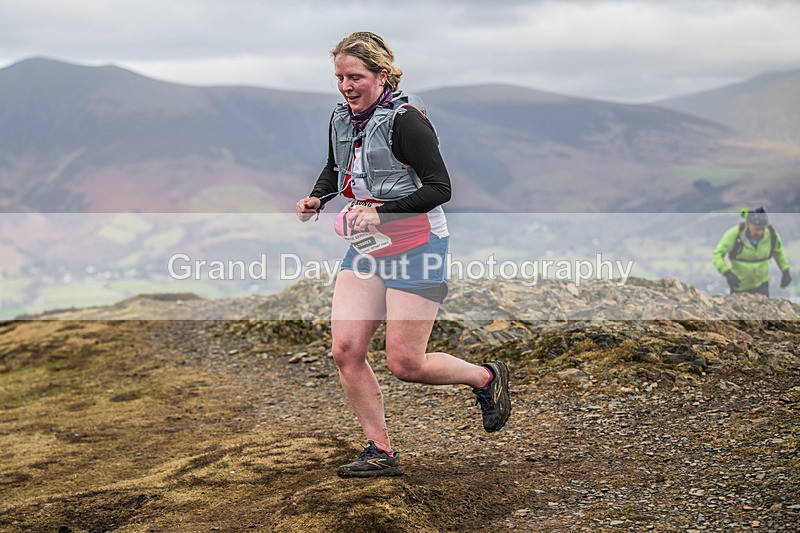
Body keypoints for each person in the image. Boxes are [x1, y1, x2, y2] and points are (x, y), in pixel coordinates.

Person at [295, 31, 510, 478]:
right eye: (339, 77)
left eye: (355, 77)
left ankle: (486, 378)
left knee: (405, 364)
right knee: (345, 350)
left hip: (418, 246)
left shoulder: (407, 121)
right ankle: (381, 450)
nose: (345, 86)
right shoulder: (341, 118)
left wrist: (381, 212)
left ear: (381, 75)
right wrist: (318, 197)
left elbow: (440, 188)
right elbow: (339, 168)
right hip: (368, 249)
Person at [713, 207, 791, 297]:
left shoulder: (772, 235)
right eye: (756, 229)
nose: (760, 232)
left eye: (762, 228)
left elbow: (778, 253)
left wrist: (785, 271)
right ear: (748, 224)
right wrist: (727, 273)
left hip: (762, 285)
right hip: (739, 285)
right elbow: (717, 254)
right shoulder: (735, 234)